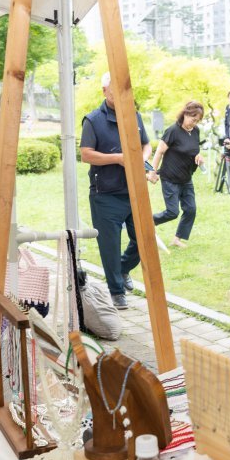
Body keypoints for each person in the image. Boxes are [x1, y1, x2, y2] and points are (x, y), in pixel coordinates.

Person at [80, 73, 151, 310]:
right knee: (109, 246)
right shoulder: (93, 120)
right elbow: (86, 154)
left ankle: (122, 269)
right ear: (104, 91)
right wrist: (118, 158)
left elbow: (146, 144)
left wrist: (142, 159)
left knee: (144, 239)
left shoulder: (134, 115)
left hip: (134, 189)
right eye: (113, 92)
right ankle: (116, 291)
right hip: (105, 194)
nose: (119, 97)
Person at [148, 101, 205, 248]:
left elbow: (193, 150)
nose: (194, 123)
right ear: (185, 114)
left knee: (191, 209)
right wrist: (152, 172)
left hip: (186, 178)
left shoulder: (195, 131)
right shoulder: (173, 130)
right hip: (170, 178)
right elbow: (159, 152)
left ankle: (177, 239)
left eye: (197, 120)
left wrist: (198, 156)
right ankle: (147, 222)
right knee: (172, 212)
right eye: (193, 119)